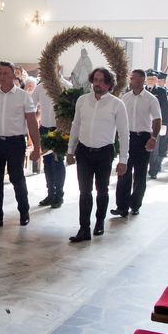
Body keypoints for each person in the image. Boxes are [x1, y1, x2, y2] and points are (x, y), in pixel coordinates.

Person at [67, 68, 129, 241]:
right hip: (84, 152)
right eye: (95, 80)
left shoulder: (117, 104)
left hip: (104, 152)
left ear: (109, 84)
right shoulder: (82, 100)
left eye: (102, 81)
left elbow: (124, 134)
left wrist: (123, 160)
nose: (97, 84)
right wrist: (70, 150)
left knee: (102, 191)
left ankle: (100, 222)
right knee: (84, 192)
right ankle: (84, 229)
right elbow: (75, 125)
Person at [0, 61, 41, 229]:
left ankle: (24, 212)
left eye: (6, 73)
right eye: (0, 73)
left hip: (15, 143)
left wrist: (37, 147)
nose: (2, 76)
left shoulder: (23, 96)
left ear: (14, 75)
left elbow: (32, 124)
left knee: (17, 178)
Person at [113, 69, 161, 217]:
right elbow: (118, 118)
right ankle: (122, 206)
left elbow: (157, 119)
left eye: (133, 78)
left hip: (143, 138)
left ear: (141, 80)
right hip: (128, 138)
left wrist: (153, 138)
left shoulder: (151, 99)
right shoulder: (125, 97)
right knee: (124, 171)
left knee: (140, 174)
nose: (131, 80)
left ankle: (135, 204)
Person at [34, 67, 72, 208]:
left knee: (58, 161)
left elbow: (71, 110)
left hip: (60, 129)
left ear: (58, 68)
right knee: (47, 162)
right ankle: (50, 193)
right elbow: (31, 104)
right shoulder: (41, 86)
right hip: (45, 127)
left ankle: (59, 195)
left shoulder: (66, 86)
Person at [146, 70, 168, 179]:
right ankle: (143, 168)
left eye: (152, 79)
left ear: (156, 80)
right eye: (149, 79)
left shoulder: (161, 91)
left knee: (154, 148)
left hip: (155, 123)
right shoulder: (142, 90)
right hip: (144, 123)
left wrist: (164, 124)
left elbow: (165, 108)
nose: (150, 81)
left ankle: (153, 170)